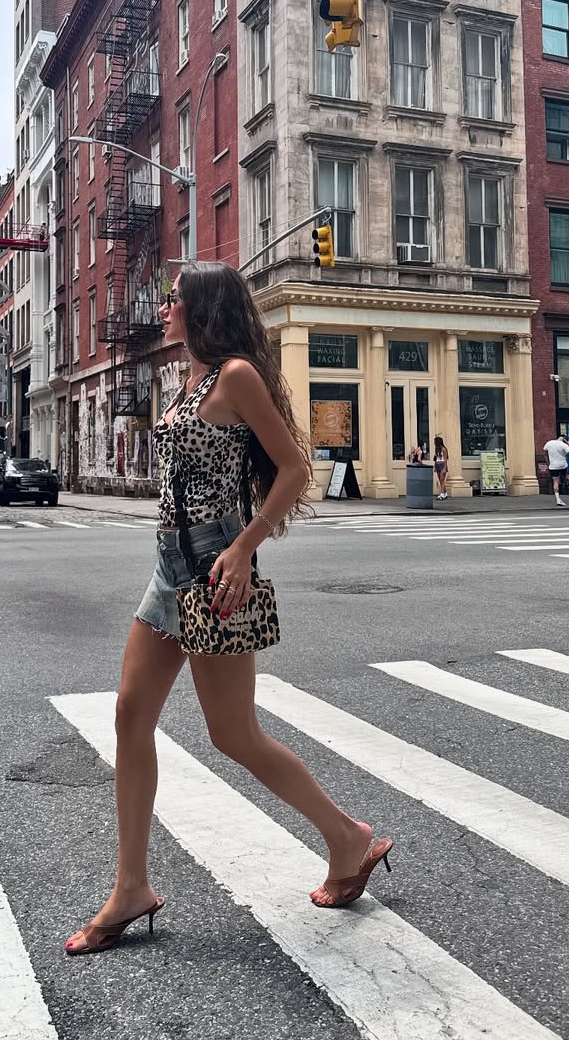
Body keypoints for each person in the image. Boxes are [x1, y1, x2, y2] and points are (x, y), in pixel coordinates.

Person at [65, 262, 392, 957]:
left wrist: (244, 549)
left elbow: (295, 469)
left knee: (234, 734)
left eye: (173, 299)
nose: (163, 308)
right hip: (169, 566)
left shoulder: (236, 376)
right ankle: (131, 885)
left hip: (217, 566)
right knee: (129, 715)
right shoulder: (189, 379)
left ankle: (348, 837)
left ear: (202, 306)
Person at [543, 430, 569, 508]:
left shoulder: (549, 443)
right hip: (562, 465)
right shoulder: (563, 445)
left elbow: (545, 453)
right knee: (565, 475)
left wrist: (548, 463)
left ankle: (558, 500)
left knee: (555, 481)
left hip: (553, 466)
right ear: (564, 438)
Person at [432, 435, 449, 500]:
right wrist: (435, 466)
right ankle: (445, 493)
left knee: (442, 480)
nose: (434, 443)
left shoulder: (444, 449)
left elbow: (445, 459)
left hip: (442, 464)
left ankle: (442, 494)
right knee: (440, 480)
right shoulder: (437, 449)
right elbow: (435, 458)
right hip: (437, 464)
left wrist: (444, 468)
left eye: (435, 442)